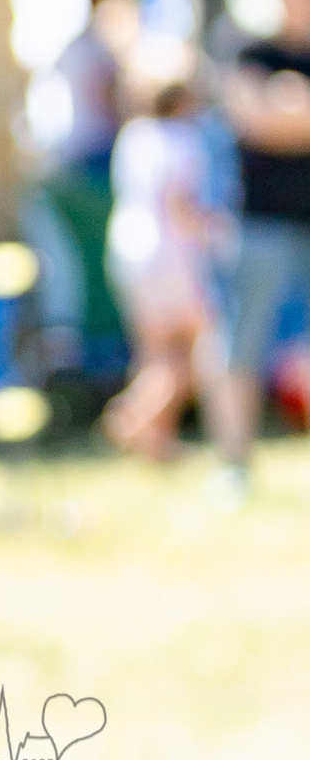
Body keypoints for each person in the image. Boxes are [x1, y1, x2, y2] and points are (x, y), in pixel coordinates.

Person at [204, 0, 310, 493]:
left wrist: (291, 108)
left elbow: (279, 120)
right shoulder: (245, 44)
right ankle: (234, 466)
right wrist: (280, 113)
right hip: (262, 221)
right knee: (240, 344)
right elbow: (254, 120)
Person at [100, 58, 222, 462]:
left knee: (153, 350)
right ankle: (133, 417)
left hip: (130, 249)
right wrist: (215, 233)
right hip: (173, 254)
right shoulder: (183, 139)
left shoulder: (134, 135)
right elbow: (179, 202)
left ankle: (156, 442)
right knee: (191, 349)